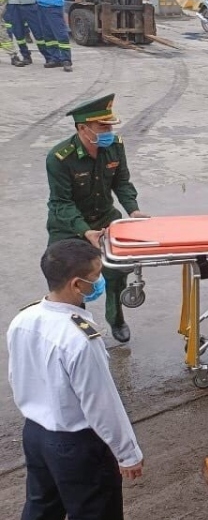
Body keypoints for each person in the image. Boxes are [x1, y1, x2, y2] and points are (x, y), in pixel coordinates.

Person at [10, 239, 150, 520]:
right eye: (96, 276)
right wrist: (128, 453)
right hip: (77, 444)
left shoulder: (24, 319)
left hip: (37, 433)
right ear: (77, 284)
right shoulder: (80, 339)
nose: (98, 282)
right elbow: (102, 405)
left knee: (41, 507)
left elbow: (18, 377)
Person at [46, 94, 149, 344]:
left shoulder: (114, 146)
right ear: (83, 128)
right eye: (103, 126)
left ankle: (116, 318)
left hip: (104, 217)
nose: (109, 131)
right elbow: (62, 202)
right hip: (70, 225)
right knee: (71, 278)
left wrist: (133, 211)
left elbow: (121, 181)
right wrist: (84, 231)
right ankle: (76, 326)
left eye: (111, 126)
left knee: (116, 271)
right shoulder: (60, 158)